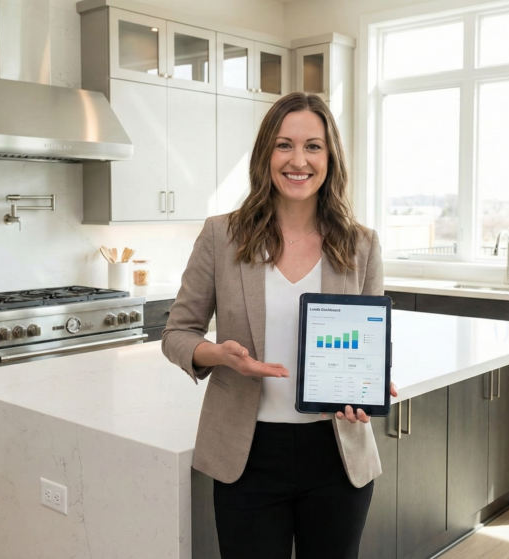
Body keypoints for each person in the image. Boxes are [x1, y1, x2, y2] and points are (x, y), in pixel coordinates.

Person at [161, 92, 394, 559]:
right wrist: (219, 355)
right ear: (266, 153)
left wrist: (367, 385)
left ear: (330, 158)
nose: (298, 160)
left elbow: (368, 339)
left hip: (337, 454)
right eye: (284, 145)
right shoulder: (221, 236)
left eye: (313, 146)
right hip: (246, 454)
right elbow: (177, 334)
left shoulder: (361, 244)